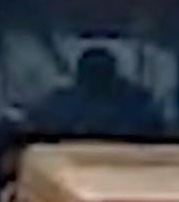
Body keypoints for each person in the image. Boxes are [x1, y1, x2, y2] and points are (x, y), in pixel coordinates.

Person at [25, 45, 165, 135]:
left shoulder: (137, 105)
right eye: (93, 72)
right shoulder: (58, 106)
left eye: (102, 72)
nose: (97, 78)